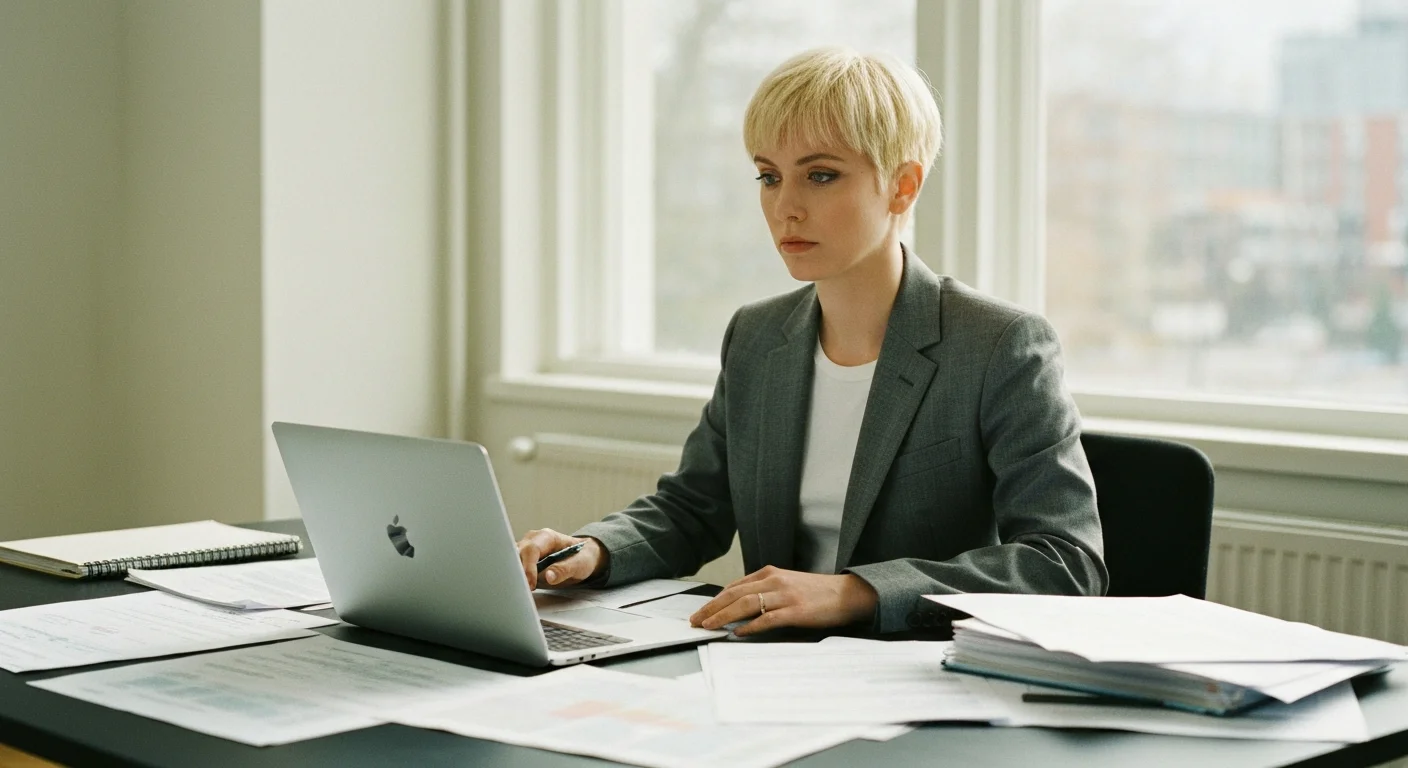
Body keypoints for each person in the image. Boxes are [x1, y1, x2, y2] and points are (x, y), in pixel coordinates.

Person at [516, 46, 1107, 636]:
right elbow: (693, 508)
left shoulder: (998, 345)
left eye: (820, 175)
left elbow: (1065, 561)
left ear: (902, 186)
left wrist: (855, 593)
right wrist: (592, 550)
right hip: (764, 664)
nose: (785, 208)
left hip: (916, 670)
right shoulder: (756, 336)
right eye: (769, 176)